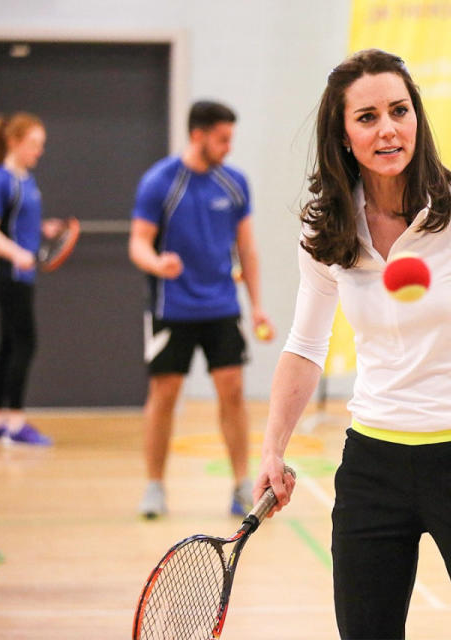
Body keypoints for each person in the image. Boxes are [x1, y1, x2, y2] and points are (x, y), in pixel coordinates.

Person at [254, 49, 451, 640]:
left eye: (399, 110)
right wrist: (273, 446)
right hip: (372, 472)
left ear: (417, 120)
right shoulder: (327, 227)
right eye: (367, 117)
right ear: (343, 134)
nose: (388, 128)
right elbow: (304, 346)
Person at [129, 100, 272, 519]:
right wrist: (157, 263)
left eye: (231, 138)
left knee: (233, 391)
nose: (228, 147)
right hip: (171, 307)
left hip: (222, 306)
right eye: (222, 138)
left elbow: (246, 248)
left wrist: (258, 306)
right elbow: (138, 241)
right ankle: (154, 486)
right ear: (198, 135)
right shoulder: (160, 182)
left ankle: (242, 484)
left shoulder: (235, 183)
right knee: (165, 394)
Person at [0, 112, 56, 445]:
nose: (38, 151)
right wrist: (16, 254)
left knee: (10, 344)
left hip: (21, 274)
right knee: (26, 342)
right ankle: (15, 423)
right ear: (14, 141)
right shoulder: (1, 179)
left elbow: (18, 224)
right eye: (34, 144)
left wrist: (43, 229)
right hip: (6, 273)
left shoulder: (26, 179)